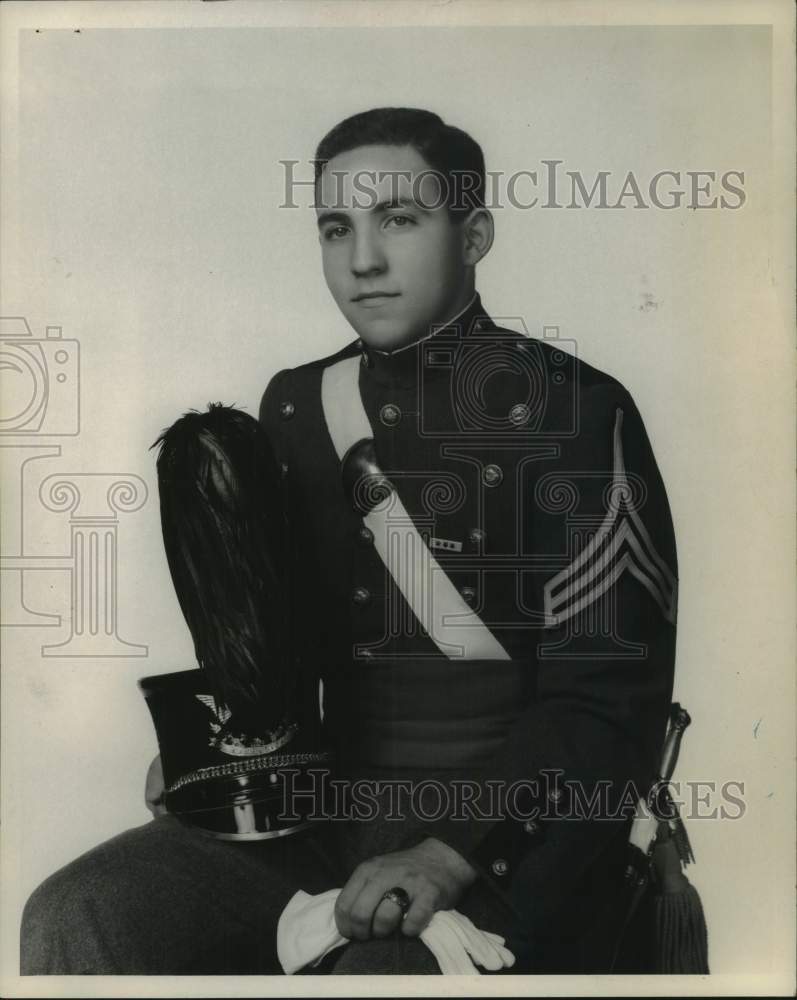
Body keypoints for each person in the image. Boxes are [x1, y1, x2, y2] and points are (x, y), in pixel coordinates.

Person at [20, 107, 678, 976]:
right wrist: (223, 756)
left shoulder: (579, 412)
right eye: (337, 228)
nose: (362, 259)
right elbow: (282, 654)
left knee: (382, 976)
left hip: (524, 835)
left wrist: (449, 854)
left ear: (474, 234)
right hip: (327, 817)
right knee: (80, 911)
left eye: (398, 220)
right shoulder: (297, 406)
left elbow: (607, 709)